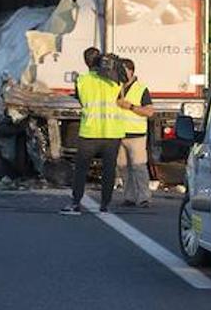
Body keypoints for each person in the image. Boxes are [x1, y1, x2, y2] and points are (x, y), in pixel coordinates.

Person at [62, 47, 124, 215]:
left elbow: (82, 101)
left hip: (90, 132)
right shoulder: (114, 81)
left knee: (81, 169)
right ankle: (105, 204)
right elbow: (121, 98)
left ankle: (75, 203)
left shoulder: (82, 80)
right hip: (112, 133)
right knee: (109, 170)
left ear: (86, 62)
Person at [116, 58, 155, 207]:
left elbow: (149, 111)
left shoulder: (141, 89)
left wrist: (130, 107)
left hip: (136, 135)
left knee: (138, 167)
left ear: (130, 71)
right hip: (118, 133)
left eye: (123, 70)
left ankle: (144, 197)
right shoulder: (116, 87)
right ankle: (129, 197)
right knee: (123, 167)